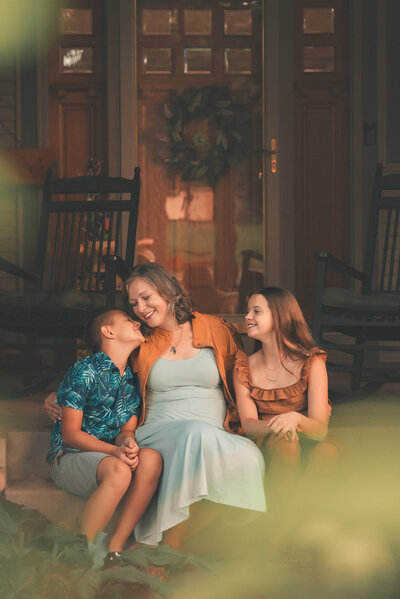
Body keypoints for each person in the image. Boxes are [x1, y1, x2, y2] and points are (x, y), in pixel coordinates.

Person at [45, 264, 266, 549]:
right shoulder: (141, 339)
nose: (141, 309)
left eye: (147, 297)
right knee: (194, 435)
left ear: (167, 290)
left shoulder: (216, 330)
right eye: (134, 303)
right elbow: (101, 368)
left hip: (212, 432)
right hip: (159, 430)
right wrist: (54, 395)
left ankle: (157, 547)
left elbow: (245, 376)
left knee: (248, 457)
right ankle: (163, 552)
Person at [46, 309, 162, 565]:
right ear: (108, 332)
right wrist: (114, 452)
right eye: (128, 320)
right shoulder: (84, 371)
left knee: (150, 458)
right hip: (69, 457)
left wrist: (128, 443)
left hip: (107, 459)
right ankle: (81, 552)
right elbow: (70, 434)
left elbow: (126, 430)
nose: (136, 322)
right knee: (120, 470)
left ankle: (115, 546)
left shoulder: (131, 380)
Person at [233, 287, 335, 505]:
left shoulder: (312, 362)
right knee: (285, 443)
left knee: (328, 453)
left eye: (256, 311)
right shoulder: (243, 367)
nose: (247, 317)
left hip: (309, 438)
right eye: (247, 310)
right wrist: (281, 424)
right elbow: (249, 424)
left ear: (280, 316)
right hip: (267, 442)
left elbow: (320, 429)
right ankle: (281, 524)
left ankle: (292, 523)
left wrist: (296, 418)